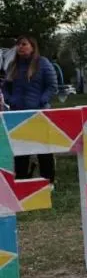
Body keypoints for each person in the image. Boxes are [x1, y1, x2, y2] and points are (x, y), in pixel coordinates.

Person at [2, 36, 58, 183]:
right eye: (18, 45)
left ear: (32, 47)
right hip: (17, 114)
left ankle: (48, 181)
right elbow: (5, 87)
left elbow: (52, 86)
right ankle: (21, 180)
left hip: (39, 113)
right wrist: (10, 100)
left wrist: (42, 101)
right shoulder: (13, 66)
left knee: (44, 150)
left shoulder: (43, 63)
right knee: (20, 150)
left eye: (24, 44)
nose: (20, 47)